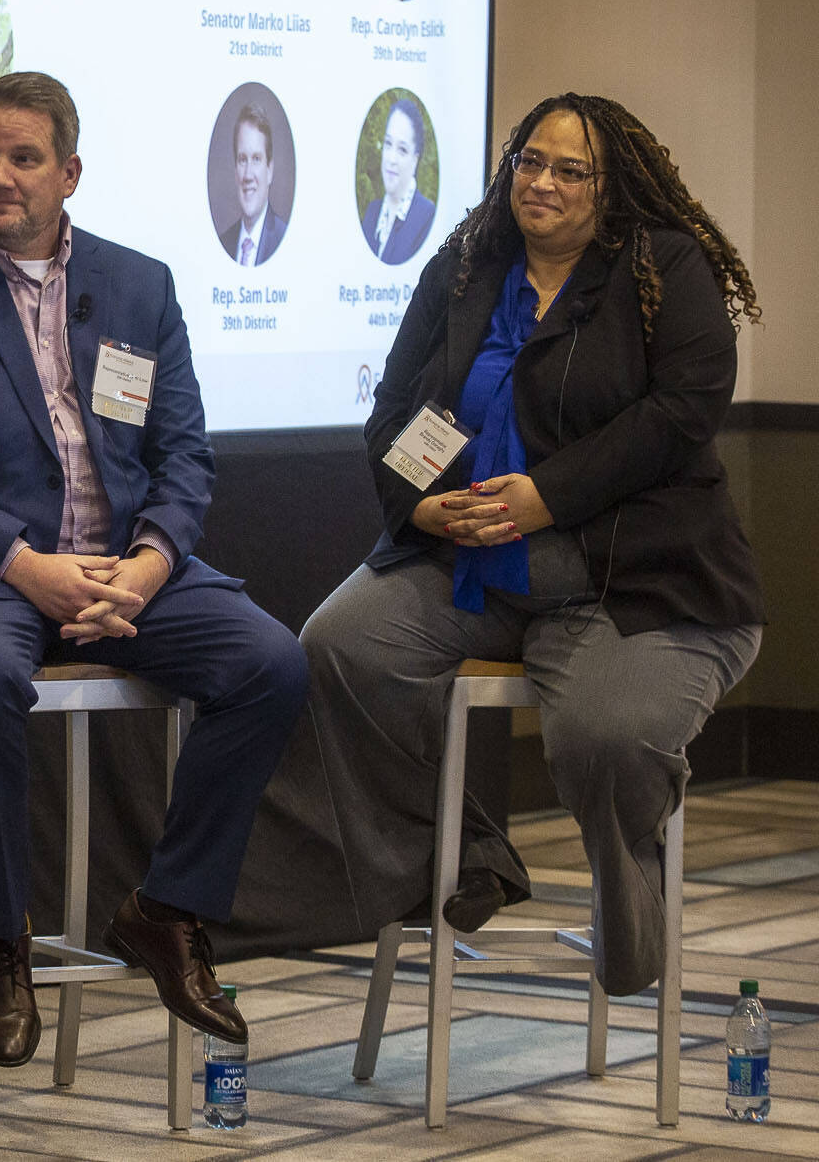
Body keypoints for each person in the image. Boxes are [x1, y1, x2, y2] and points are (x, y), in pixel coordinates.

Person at [0, 71, 306, 1068]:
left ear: (69, 172)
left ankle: (168, 909)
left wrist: (144, 567)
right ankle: (3, 943)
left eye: (21, 159)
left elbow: (183, 454)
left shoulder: (137, 283)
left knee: (269, 664)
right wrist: (26, 567)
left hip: (118, 567)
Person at [301, 93, 764, 997]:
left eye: (569, 169)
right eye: (529, 162)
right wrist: (422, 503)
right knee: (336, 646)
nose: (542, 182)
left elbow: (682, 413)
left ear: (611, 185)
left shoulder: (662, 268)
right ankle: (471, 850)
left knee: (604, 737)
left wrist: (546, 496)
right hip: (471, 562)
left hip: (624, 569)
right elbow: (395, 412)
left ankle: (628, 920)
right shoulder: (466, 270)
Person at [361, 97, 437, 265]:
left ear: (415, 159)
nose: (391, 159)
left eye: (402, 149)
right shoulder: (372, 213)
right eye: (388, 144)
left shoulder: (426, 217)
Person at [222, 102, 286, 266]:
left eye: (256, 159)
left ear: (269, 169)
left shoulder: (284, 238)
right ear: (235, 169)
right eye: (243, 160)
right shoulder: (224, 242)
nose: (248, 175)